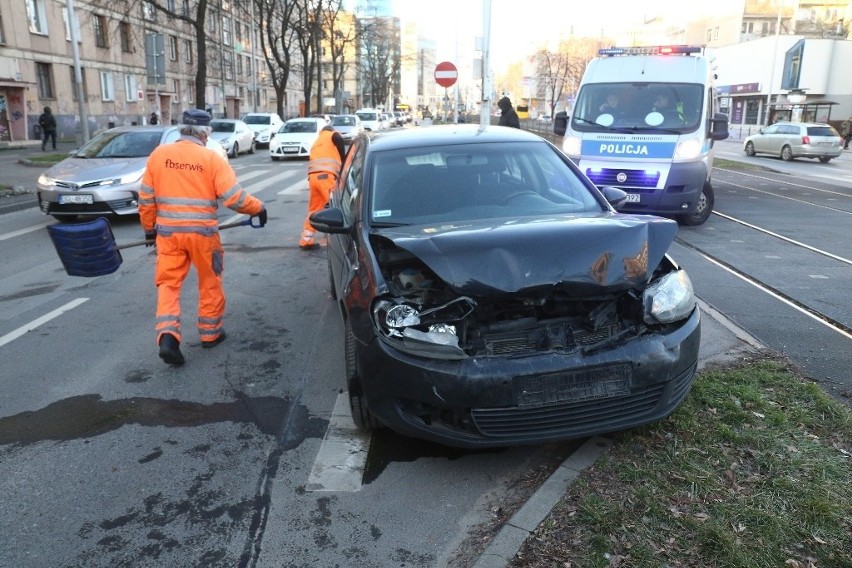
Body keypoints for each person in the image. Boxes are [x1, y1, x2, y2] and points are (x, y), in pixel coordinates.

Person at [139, 108, 267, 365]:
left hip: (169, 235)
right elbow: (234, 197)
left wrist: (149, 229)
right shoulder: (211, 159)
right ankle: (210, 333)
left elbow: (145, 198)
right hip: (204, 236)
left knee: (168, 285)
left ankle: (168, 336)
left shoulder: (159, 156)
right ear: (206, 133)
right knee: (210, 281)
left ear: (181, 129)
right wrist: (258, 208)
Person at [300, 125, 346, 249]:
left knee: (314, 209)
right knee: (335, 207)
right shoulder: (332, 135)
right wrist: (344, 160)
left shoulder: (317, 141)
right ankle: (343, 242)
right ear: (331, 130)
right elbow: (339, 139)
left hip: (313, 178)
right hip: (325, 176)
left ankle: (306, 240)